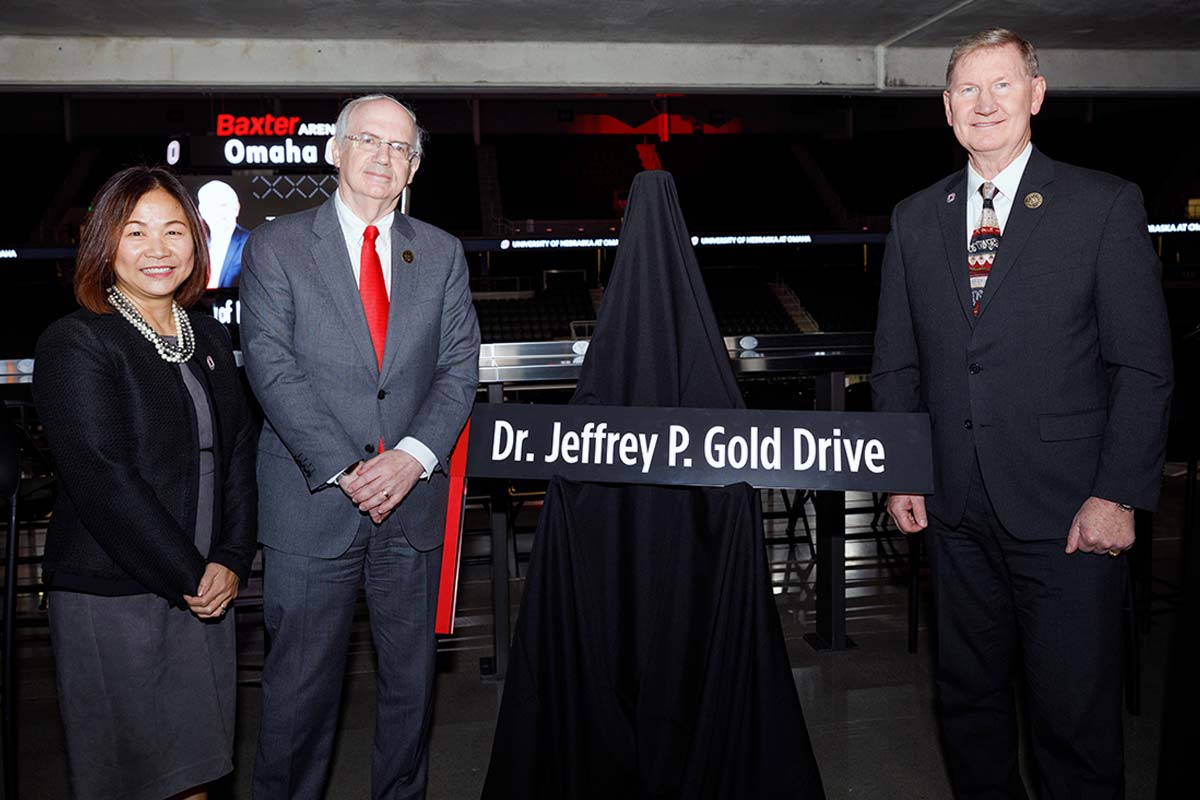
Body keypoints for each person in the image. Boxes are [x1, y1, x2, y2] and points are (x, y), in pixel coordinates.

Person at [871, 28, 1173, 798]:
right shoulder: (914, 218)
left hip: (1072, 513)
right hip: (956, 512)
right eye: (967, 90)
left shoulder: (1103, 204)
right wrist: (904, 473)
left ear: (1036, 95)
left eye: (1002, 85)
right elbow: (897, 362)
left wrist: (1119, 494)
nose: (985, 104)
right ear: (945, 109)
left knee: (1072, 720)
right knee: (969, 708)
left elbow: (1141, 366)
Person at [241, 94, 479, 799]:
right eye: (369, 141)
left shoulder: (439, 252)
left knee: (410, 695)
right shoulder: (276, 246)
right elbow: (270, 366)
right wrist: (349, 468)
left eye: (401, 148)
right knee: (297, 701)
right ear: (335, 151)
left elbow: (458, 367)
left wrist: (411, 457)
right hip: (312, 505)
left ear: (413, 167)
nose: (385, 157)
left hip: (413, 508)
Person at [33, 166, 258, 800]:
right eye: (136, 232)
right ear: (105, 242)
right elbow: (103, 477)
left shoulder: (208, 337)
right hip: (116, 593)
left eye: (174, 230)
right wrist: (190, 574)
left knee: (201, 769)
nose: (158, 250)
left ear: (197, 242)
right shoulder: (75, 342)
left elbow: (239, 451)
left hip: (206, 588)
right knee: (134, 777)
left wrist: (231, 561)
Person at [197, 179, 249, 288]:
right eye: (211, 206)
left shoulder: (251, 243)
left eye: (223, 205)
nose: (217, 212)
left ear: (236, 208)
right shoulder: (196, 247)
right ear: (202, 212)